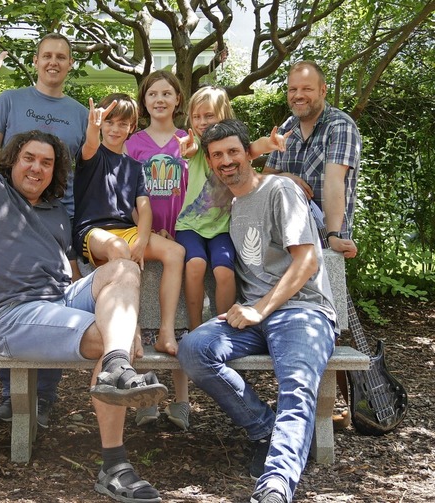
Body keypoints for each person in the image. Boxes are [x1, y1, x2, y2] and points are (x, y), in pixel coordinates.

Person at [0, 32, 167, 503]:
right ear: (11, 162)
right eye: (28, 158)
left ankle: (114, 367)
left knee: (124, 268)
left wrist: (86, 280)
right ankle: (115, 464)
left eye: (47, 163)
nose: (36, 168)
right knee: (115, 337)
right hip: (11, 315)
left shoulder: (55, 211)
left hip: (55, 299)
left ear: (55, 171)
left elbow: (78, 270)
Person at [178, 119, 338, 503]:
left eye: (233, 151)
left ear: (248, 153)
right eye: (217, 155)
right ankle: (264, 427)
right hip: (254, 316)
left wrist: (259, 309)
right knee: (194, 349)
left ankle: (275, 486)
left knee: (296, 387)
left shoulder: (280, 190)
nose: (225, 161)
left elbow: (307, 262)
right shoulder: (227, 202)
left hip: (303, 311)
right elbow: (178, 201)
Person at [0, 32, 88, 428]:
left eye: (62, 56)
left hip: (61, 216)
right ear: (37, 60)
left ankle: (43, 399)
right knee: (16, 294)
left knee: (54, 296)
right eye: (47, 56)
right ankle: (12, 397)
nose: (53, 62)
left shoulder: (78, 112)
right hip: (9, 218)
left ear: (70, 63)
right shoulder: (10, 100)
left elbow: (84, 172)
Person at [73, 93, 189, 429]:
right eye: (110, 121)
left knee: (175, 252)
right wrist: (94, 127)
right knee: (120, 253)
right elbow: (91, 144)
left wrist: (142, 236)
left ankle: (166, 331)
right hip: (93, 233)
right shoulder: (91, 157)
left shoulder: (135, 167)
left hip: (125, 231)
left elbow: (145, 209)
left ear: (131, 127)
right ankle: (132, 334)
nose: (115, 128)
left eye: (123, 123)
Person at [263, 60, 362, 427]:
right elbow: (267, 177)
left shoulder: (340, 126)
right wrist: (286, 175)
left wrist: (334, 236)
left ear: (322, 91)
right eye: (292, 89)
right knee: (297, 317)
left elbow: (335, 183)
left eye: (306, 89)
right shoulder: (287, 127)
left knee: (331, 319)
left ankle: (340, 408)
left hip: (323, 237)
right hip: (288, 241)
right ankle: (306, 402)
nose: (298, 95)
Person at [175, 86, 290, 331]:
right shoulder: (199, 146)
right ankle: (195, 329)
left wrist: (269, 143)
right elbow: (192, 148)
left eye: (209, 116)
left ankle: (224, 327)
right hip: (189, 226)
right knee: (195, 264)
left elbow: (254, 148)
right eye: (197, 117)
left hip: (223, 227)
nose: (202, 122)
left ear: (224, 115)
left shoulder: (232, 145)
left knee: (225, 271)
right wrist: (187, 147)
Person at [125, 70, 188, 239]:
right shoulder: (130, 143)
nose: (159, 99)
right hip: (143, 234)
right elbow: (125, 194)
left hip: (184, 232)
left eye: (166, 94)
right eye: (152, 94)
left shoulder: (189, 140)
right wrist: (144, 231)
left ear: (177, 99)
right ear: (144, 101)